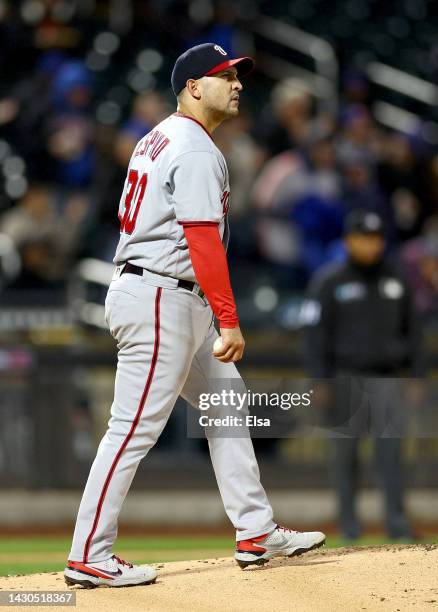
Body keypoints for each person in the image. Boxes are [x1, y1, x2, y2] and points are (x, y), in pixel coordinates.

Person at [64, 43, 325, 589]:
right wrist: (229, 320)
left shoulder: (161, 136)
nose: (236, 84)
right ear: (192, 87)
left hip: (163, 292)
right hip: (162, 295)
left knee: (228, 407)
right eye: (223, 76)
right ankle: (89, 551)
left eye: (236, 76)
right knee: (132, 428)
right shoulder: (195, 150)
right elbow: (203, 241)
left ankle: (254, 530)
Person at [303, 209, 421, 540]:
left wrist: (415, 374)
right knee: (345, 459)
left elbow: (413, 332)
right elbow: (314, 335)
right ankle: (349, 528)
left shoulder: (397, 280)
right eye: (363, 238)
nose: (370, 245)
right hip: (345, 378)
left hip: (388, 378)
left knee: (392, 456)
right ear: (348, 241)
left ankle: (397, 526)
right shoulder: (329, 281)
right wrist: (319, 379)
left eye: (375, 239)